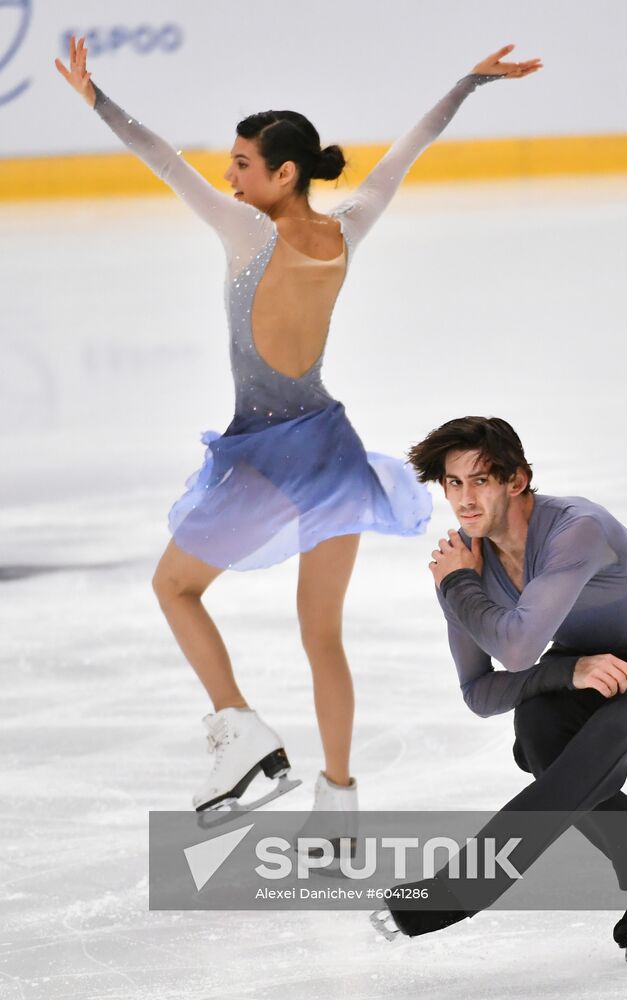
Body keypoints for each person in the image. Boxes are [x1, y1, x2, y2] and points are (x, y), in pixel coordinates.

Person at [54, 39, 543, 818]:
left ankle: (240, 732)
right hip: (334, 453)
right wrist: (468, 84)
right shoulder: (348, 229)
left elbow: (163, 161)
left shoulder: (248, 234)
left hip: (270, 459)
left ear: (284, 174)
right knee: (323, 637)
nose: (228, 175)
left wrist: (96, 99)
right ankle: (338, 800)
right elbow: (410, 150)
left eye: (243, 163)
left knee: (173, 586)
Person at [372, 416, 627, 962]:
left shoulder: (577, 529)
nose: (464, 499)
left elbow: (519, 649)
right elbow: (480, 692)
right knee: (538, 738)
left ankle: (456, 891)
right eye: (453, 484)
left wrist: (459, 586)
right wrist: (565, 673)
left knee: (602, 741)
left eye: (479, 480)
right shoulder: (465, 564)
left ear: (517, 480)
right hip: (580, 666)